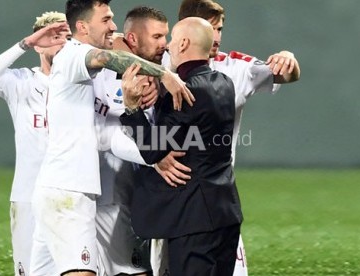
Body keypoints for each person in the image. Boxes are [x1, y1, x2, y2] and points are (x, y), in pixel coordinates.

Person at [30, 0, 194, 275]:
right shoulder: (73, 55)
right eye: (106, 19)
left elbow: (105, 135)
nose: (113, 27)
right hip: (67, 192)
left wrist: (151, 157)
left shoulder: (89, 75)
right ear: (82, 26)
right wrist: (163, 73)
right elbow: (109, 56)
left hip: (68, 191)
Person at [152, 0, 302, 275]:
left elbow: (286, 75)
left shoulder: (233, 66)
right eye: (211, 28)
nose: (216, 37)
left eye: (220, 28)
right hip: (167, 198)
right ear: (186, 32)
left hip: (212, 195)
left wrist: (288, 58)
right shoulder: (158, 61)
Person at [119, 17, 243, 276]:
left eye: (173, 40)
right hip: (226, 211)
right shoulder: (224, 83)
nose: (167, 46)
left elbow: (153, 150)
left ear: (184, 43)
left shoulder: (183, 93)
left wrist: (131, 108)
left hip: (193, 219)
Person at [0, 11, 70, 276]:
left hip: (71, 194)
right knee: (28, 270)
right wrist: (25, 44)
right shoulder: (22, 82)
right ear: (38, 44)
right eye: (53, 37)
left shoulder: (84, 83)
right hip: (28, 195)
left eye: (67, 37)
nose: (62, 43)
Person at [93, 6, 169, 275]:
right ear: (133, 40)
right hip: (110, 190)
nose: (164, 44)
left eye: (165, 36)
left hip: (141, 193)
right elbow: (115, 44)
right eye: (157, 37)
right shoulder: (103, 66)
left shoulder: (160, 65)